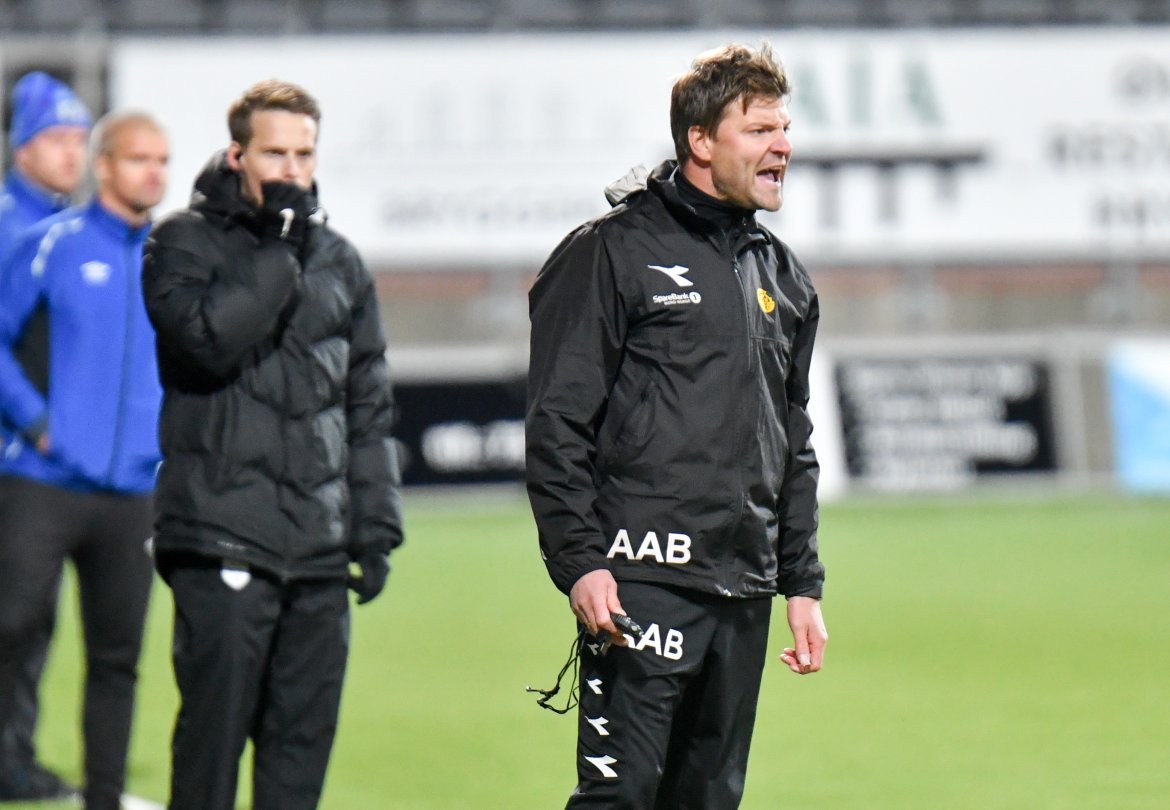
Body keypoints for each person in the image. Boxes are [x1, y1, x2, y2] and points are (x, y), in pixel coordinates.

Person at [526, 43, 828, 808]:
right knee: (620, 798)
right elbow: (558, 422)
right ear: (700, 140)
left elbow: (791, 440)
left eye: (784, 129)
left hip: (743, 584)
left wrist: (801, 581)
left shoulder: (783, 275)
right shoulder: (609, 252)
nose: (782, 146)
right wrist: (580, 561)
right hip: (640, 579)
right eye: (759, 130)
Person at [142, 78, 403, 810]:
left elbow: (367, 404)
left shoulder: (341, 261)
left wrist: (375, 527)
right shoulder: (180, 242)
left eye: (304, 155)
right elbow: (207, 344)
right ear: (237, 156)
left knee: (298, 762)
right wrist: (281, 247)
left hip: (318, 553)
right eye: (275, 154)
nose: (292, 170)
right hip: (221, 534)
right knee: (210, 754)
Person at [0, 110, 170, 810]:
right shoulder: (50, 244)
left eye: (162, 160)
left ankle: (104, 796)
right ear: (104, 167)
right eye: (138, 159)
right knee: (9, 628)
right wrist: (37, 423)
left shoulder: (173, 257)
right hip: (42, 482)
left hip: (133, 492)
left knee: (117, 658)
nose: (154, 173)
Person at [0, 71, 91, 803]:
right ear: (21, 147)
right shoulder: (9, 226)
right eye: (56, 138)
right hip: (18, 455)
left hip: (45, 467)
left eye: (80, 139)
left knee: (31, 616)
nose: (71, 153)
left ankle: (14, 755)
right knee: (15, 614)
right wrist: (36, 420)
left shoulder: (68, 227)